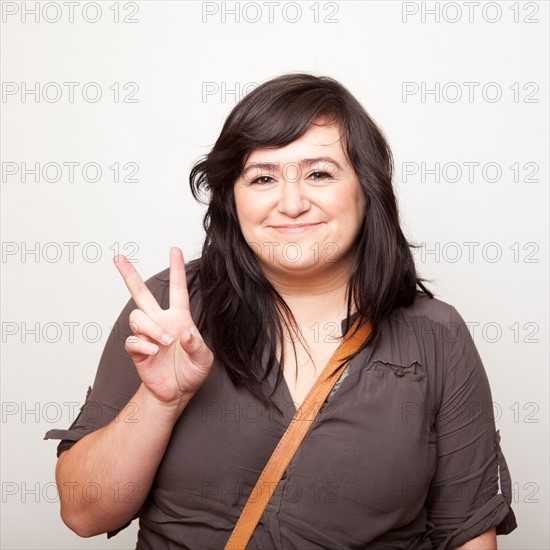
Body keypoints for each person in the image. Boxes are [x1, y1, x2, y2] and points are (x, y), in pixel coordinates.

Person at [45, 73, 517, 549]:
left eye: (319, 173)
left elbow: (467, 533)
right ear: (232, 196)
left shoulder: (436, 335)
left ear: (366, 189)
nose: (291, 203)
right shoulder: (171, 308)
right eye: (263, 177)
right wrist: (159, 401)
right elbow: (84, 513)